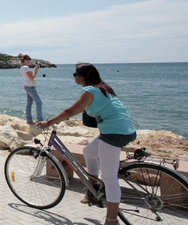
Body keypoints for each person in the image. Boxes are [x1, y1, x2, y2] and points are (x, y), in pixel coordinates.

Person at [38, 63, 136, 225]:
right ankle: (92, 189)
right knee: (89, 152)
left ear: (85, 76)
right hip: (125, 129)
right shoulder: (103, 88)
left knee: (109, 178)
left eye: (75, 74)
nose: (74, 77)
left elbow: (70, 111)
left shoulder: (90, 91)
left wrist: (48, 122)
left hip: (113, 133)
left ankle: (111, 220)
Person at [19, 53, 43, 124]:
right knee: (39, 102)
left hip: (28, 86)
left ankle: (29, 120)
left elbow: (31, 77)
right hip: (30, 87)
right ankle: (40, 120)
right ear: (25, 60)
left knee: (29, 104)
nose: (29, 62)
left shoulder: (23, 67)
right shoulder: (25, 68)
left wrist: (35, 70)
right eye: (29, 61)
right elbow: (32, 78)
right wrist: (35, 70)